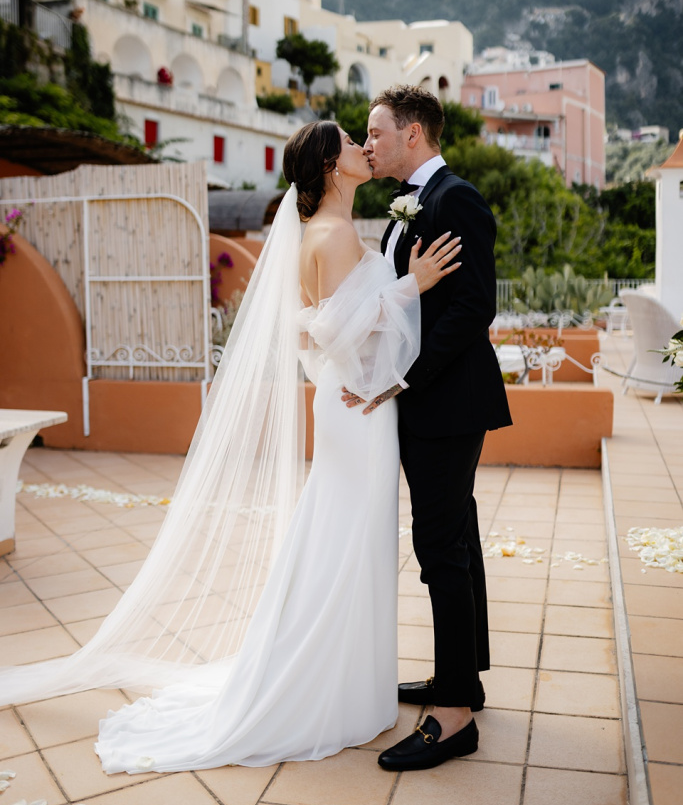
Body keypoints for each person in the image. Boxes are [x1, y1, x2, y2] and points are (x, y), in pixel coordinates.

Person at [0, 120, 460, 771]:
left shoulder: (329, 231)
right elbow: (332, 329)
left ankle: (349, 680)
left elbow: (317, 327)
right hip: (355, 410)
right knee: (345, 538)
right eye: (351, 144)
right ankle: (323, 688)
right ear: (331, 166)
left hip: (356, 404)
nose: (364, 148)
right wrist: (410, 285)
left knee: (347, 537)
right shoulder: (329, 235)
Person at [345, 85, 512, 772]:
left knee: (438, 545)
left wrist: (405, 377)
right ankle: (460, 677)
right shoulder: (409, 206)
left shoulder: (453, 197)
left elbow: (473, 306)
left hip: (444, 403)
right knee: (454, 538)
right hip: (431, 401)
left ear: (412, 134)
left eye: (376, 132)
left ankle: (452, 718)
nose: (367, 143)